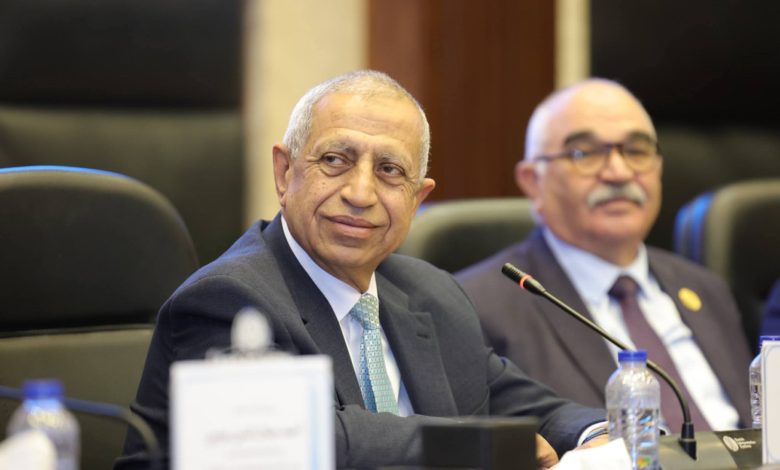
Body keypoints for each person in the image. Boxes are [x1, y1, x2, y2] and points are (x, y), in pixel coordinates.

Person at [114, 71, 607, 470]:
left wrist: (603, 434)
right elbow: (308, 438)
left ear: (417, 199)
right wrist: (484, 444)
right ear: (285, 173)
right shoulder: (229, 299)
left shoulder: (430, 292)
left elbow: (521, 405)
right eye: (335, 160)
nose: (360, 193)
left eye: (390, 171)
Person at [457, 79, 753, 433]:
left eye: (637, 151)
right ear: (533, 180)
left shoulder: (707, 289)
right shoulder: (477, 308)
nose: (619, 173)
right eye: (585, 153)